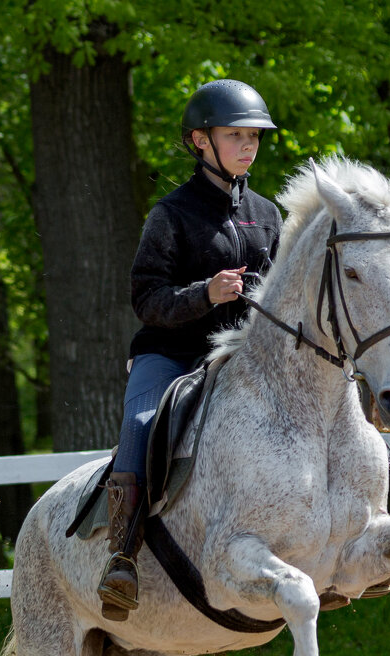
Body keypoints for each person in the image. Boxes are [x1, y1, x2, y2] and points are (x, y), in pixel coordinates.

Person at [97, 79, 283, 621]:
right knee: (142, 418)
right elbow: (146, 299)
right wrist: (205, 293)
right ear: (201, 141)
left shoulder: (269, 215)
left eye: (254, 137)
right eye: (236, 136)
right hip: (172, 354)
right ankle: (121, 556)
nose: (248, 146)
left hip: (242, 359)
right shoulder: (170, 215)